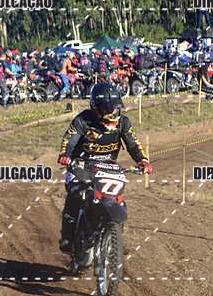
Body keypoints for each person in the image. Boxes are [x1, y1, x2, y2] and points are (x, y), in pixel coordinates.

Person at [56, 82, 153, 253]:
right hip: (80, 166)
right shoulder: (83, 120)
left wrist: (143, 160)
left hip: (107, 168)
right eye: (108, 110)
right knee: (76, 194)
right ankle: (68, 237)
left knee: (118, 201)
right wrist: (65, 155)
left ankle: (115, 238)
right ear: (96, 108)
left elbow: (133, 144)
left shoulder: (123, 122)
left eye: (115, 109)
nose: (112, 114)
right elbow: (69, 140)